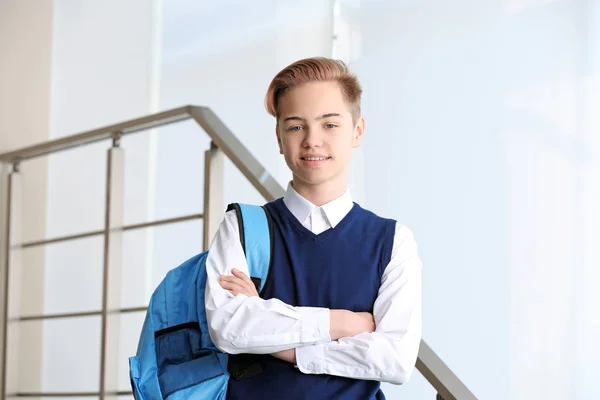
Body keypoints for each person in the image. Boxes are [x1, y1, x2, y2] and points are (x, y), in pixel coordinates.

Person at [204, 57, 422, 400]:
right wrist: (343, 325)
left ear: (357, 131)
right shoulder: (243, 228)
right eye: (295, 126)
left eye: (329, 125)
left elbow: (395, 359)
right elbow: (228, 328)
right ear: (279, 138)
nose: (312, 141)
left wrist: (284, 345)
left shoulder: (391, 241)